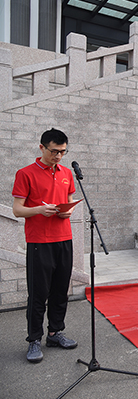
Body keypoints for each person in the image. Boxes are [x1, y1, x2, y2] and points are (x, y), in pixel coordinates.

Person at [12, 128, 77, 363]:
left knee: (60, 290)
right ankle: (33, 339)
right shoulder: (25, 174)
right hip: (39, 242)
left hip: (64, 239)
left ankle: (55, 333)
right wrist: (39, 209)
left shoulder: (67, 173)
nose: (58, 156)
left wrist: (67, 212)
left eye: (63, 152)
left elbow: (69, 202)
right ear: (42, 147)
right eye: (54, 151)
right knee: (38, 294)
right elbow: (17, 210)